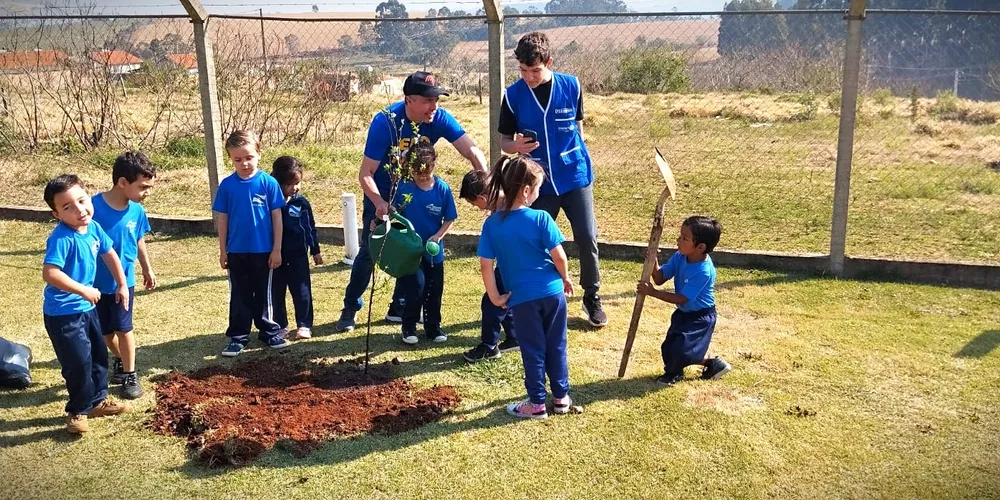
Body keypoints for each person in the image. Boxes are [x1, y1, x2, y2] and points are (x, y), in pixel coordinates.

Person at [336, 71, 487, 332]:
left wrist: (485, 179)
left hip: (416, 196)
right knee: (371, 252)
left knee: (414, 250)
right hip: (384, 196)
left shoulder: (438, 118)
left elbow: (471, 150)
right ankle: (351, 307)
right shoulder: (386, 122)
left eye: (437, 100)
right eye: (428, 101)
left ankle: (399, 307)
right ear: (409, 100)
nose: (434, 107)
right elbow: (365, 173)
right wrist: (379, 202)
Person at [499, 31, 608, 328]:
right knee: (535, 240)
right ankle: (534, 295)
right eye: (523, 71)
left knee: (587, 237)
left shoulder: (571, 85)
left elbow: (578, 127)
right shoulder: (513, 95)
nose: (529, 77)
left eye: (535, 70)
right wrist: (515, 148)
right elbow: (504, 143)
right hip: (538, 184)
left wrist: (580, 156)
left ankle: (591, 296)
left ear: (549, 61)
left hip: (575, 176)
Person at [478, 155, 575, 420]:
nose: (539, 194)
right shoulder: (542, 218)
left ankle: (536, 404)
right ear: (526, 191)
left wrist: (495, 296)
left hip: (522, 299)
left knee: (533, 349)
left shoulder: (491, 224)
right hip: (553, 294)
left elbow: (486, 266)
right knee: (557, 344)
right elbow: (559, 256)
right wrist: (565, 279)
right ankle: (561, 398)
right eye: (539, 188)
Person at [41, 174, 131, 434]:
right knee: (78, 362)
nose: (79, 210)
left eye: (82, 200)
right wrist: (83, 290)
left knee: (98, 355)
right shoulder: (61, 238)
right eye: (68, 207)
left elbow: (109, 252)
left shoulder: (92, 228)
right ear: (56, 214)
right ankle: (77, 411)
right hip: (63, 314)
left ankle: (98, 401)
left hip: (87, 309)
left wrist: (122, 284)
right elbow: (50, 273)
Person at [212, 130, 289, 357]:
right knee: (240, 294)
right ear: (231, 159)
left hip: (264, 250)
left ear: (258, 154)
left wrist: (277, 249)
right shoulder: (227, 186)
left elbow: (277, 217)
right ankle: (238, 336)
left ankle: (268, 331)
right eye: (238, 159)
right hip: (236, 251)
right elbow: (223, 219)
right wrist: (222, 250)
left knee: (265, 293)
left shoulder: (269, 183)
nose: (244, 163)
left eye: (248, 157)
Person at [636, 216, 731, 386]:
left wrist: (651, 292)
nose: (678, 240)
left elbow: (681, 298)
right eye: (680, 235)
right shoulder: (680, 256)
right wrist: (653, 262)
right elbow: (659, 278)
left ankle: (677, 373)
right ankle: (707, 364)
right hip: (684, 312)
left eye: (684, 238)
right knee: (670, 347)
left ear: (700, 247)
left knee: (683, 350)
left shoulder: (703, 271)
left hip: (700, 317)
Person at [92, 151, 156, 400]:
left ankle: (129, 373)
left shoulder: (137, 211)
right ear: (122, 182)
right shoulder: (91, 207)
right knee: (104, 332)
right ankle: (118, 358)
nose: (147, 192)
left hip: (124, 283)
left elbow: (138, 239)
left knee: (123, 328)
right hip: (95, 284)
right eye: (143, 187)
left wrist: (146, 268)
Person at [391, 142, 457, 345]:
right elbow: (395, 214)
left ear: (434, 165)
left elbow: (449, 218)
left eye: (426, 173)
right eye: (418, 173)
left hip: (433, 252)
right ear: (410, 168)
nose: (422, 177)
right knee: (416, 287)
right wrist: (390, 211)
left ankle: (433, 327)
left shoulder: (442, 189)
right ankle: (409, 326)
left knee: (434, 288)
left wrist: (438, 236)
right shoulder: (403, 187)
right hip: (411, 252)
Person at [458, 169, 518, 363]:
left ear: (483, 198)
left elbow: (486, 261)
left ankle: (489, 346)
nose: (477, 208)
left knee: (493, 302)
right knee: (507, 300)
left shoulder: (495, 221)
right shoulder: (514, 200)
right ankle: (515, 337)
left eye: (474, 204)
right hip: (519, 265)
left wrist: (493, 293)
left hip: (510, 268)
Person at [270, 156, 323, 340]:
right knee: (276, 292)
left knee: (302, 291)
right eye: (290, 184)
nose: (295, 188)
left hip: (298, 256)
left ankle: (304, 325)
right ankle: (280, 325)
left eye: (298, 183)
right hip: (275, 257)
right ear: (278, 182)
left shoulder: (301, 203)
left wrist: (315, 250)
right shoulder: (270, 202)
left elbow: (310, 227)